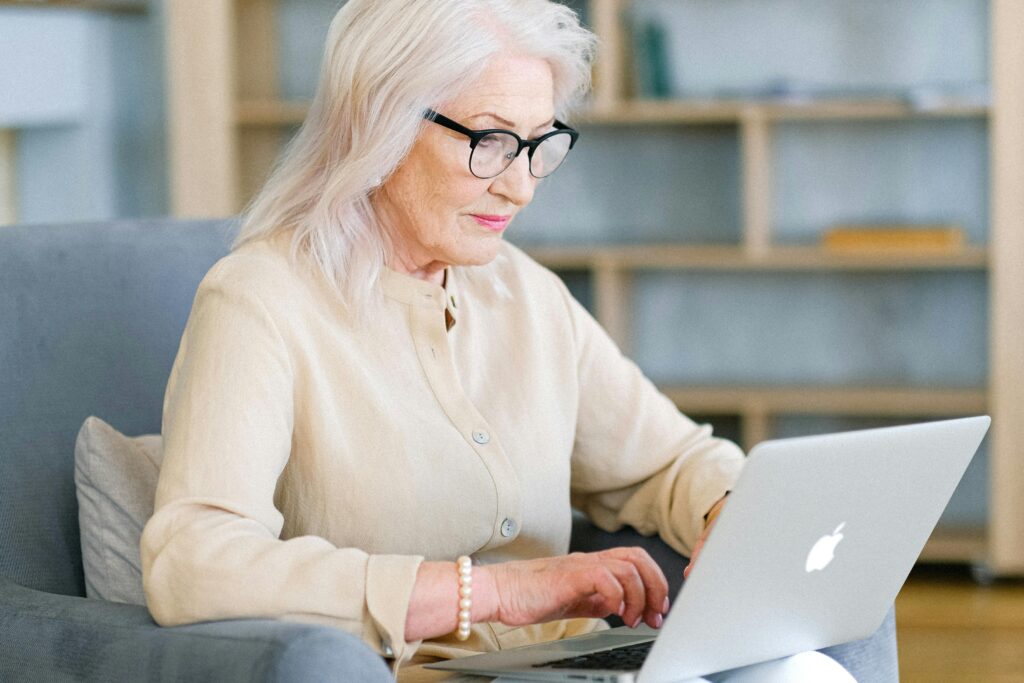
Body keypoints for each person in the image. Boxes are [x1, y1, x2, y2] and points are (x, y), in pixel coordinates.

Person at [140, 1, 851, 680]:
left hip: (564, 664)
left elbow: (663, 461)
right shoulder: (260, 299)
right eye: (490, 141)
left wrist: (729, 506)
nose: (521, 187)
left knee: (807, 671)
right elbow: (193, 562)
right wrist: (490, 592)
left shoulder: (526, 292)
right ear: (377, 124)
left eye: (540, 144)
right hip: (407, 671)